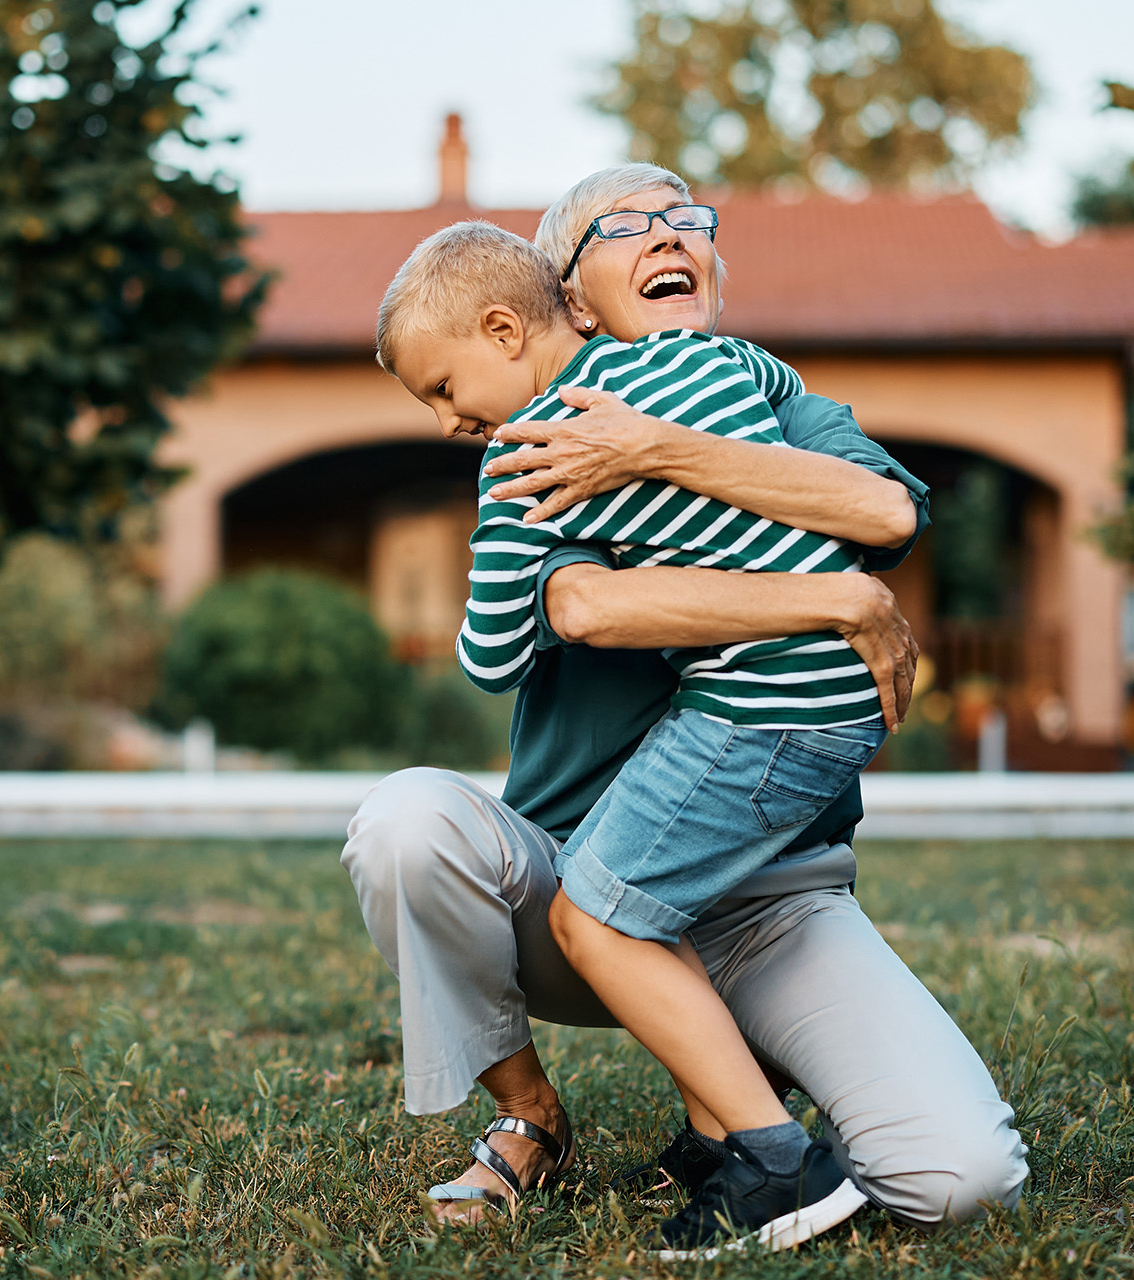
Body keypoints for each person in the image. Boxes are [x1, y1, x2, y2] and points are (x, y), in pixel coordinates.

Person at [341, 163, 1027, 1237]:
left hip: (771, 896)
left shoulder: (761, 387)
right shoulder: (544, 434)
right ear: (563, 298)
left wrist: (659, 448)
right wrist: (830, 596)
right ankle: (532, 1121)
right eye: (628, 227)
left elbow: (884, 509)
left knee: (959, 1175)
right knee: (407, 823)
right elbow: (586, 606)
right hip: (574, 883)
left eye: (688, 220)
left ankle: (738, 1124)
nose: (670, 237)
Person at [376, 219, 886, 1253]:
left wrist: (512, 534)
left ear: (504, 329)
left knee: (599, 915)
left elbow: (488, 657)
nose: (444, 421)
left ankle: (773, 1162)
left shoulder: (531, 444)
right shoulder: (710, 360)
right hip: (835, 688)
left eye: (441, 387)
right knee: (624, 898)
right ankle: (716, 1133)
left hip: (762, 704)